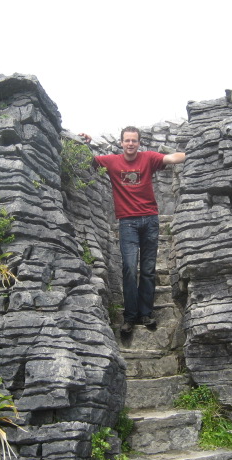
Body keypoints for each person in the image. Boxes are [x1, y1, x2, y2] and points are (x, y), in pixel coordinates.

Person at [79, 127, 185, 334]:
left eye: (134, 141)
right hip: (127, 222)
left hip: (150, 220)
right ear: (121, 142)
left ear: (139, 143)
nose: (130, 144)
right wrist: (87, 144)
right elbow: (91, 161)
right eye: (127, 140)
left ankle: (145, 314)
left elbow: (172, 158)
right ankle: (129, 317)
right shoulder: (112, 161)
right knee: (128, 268)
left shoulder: (148, 158)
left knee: (147, 269)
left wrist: (195, 150)